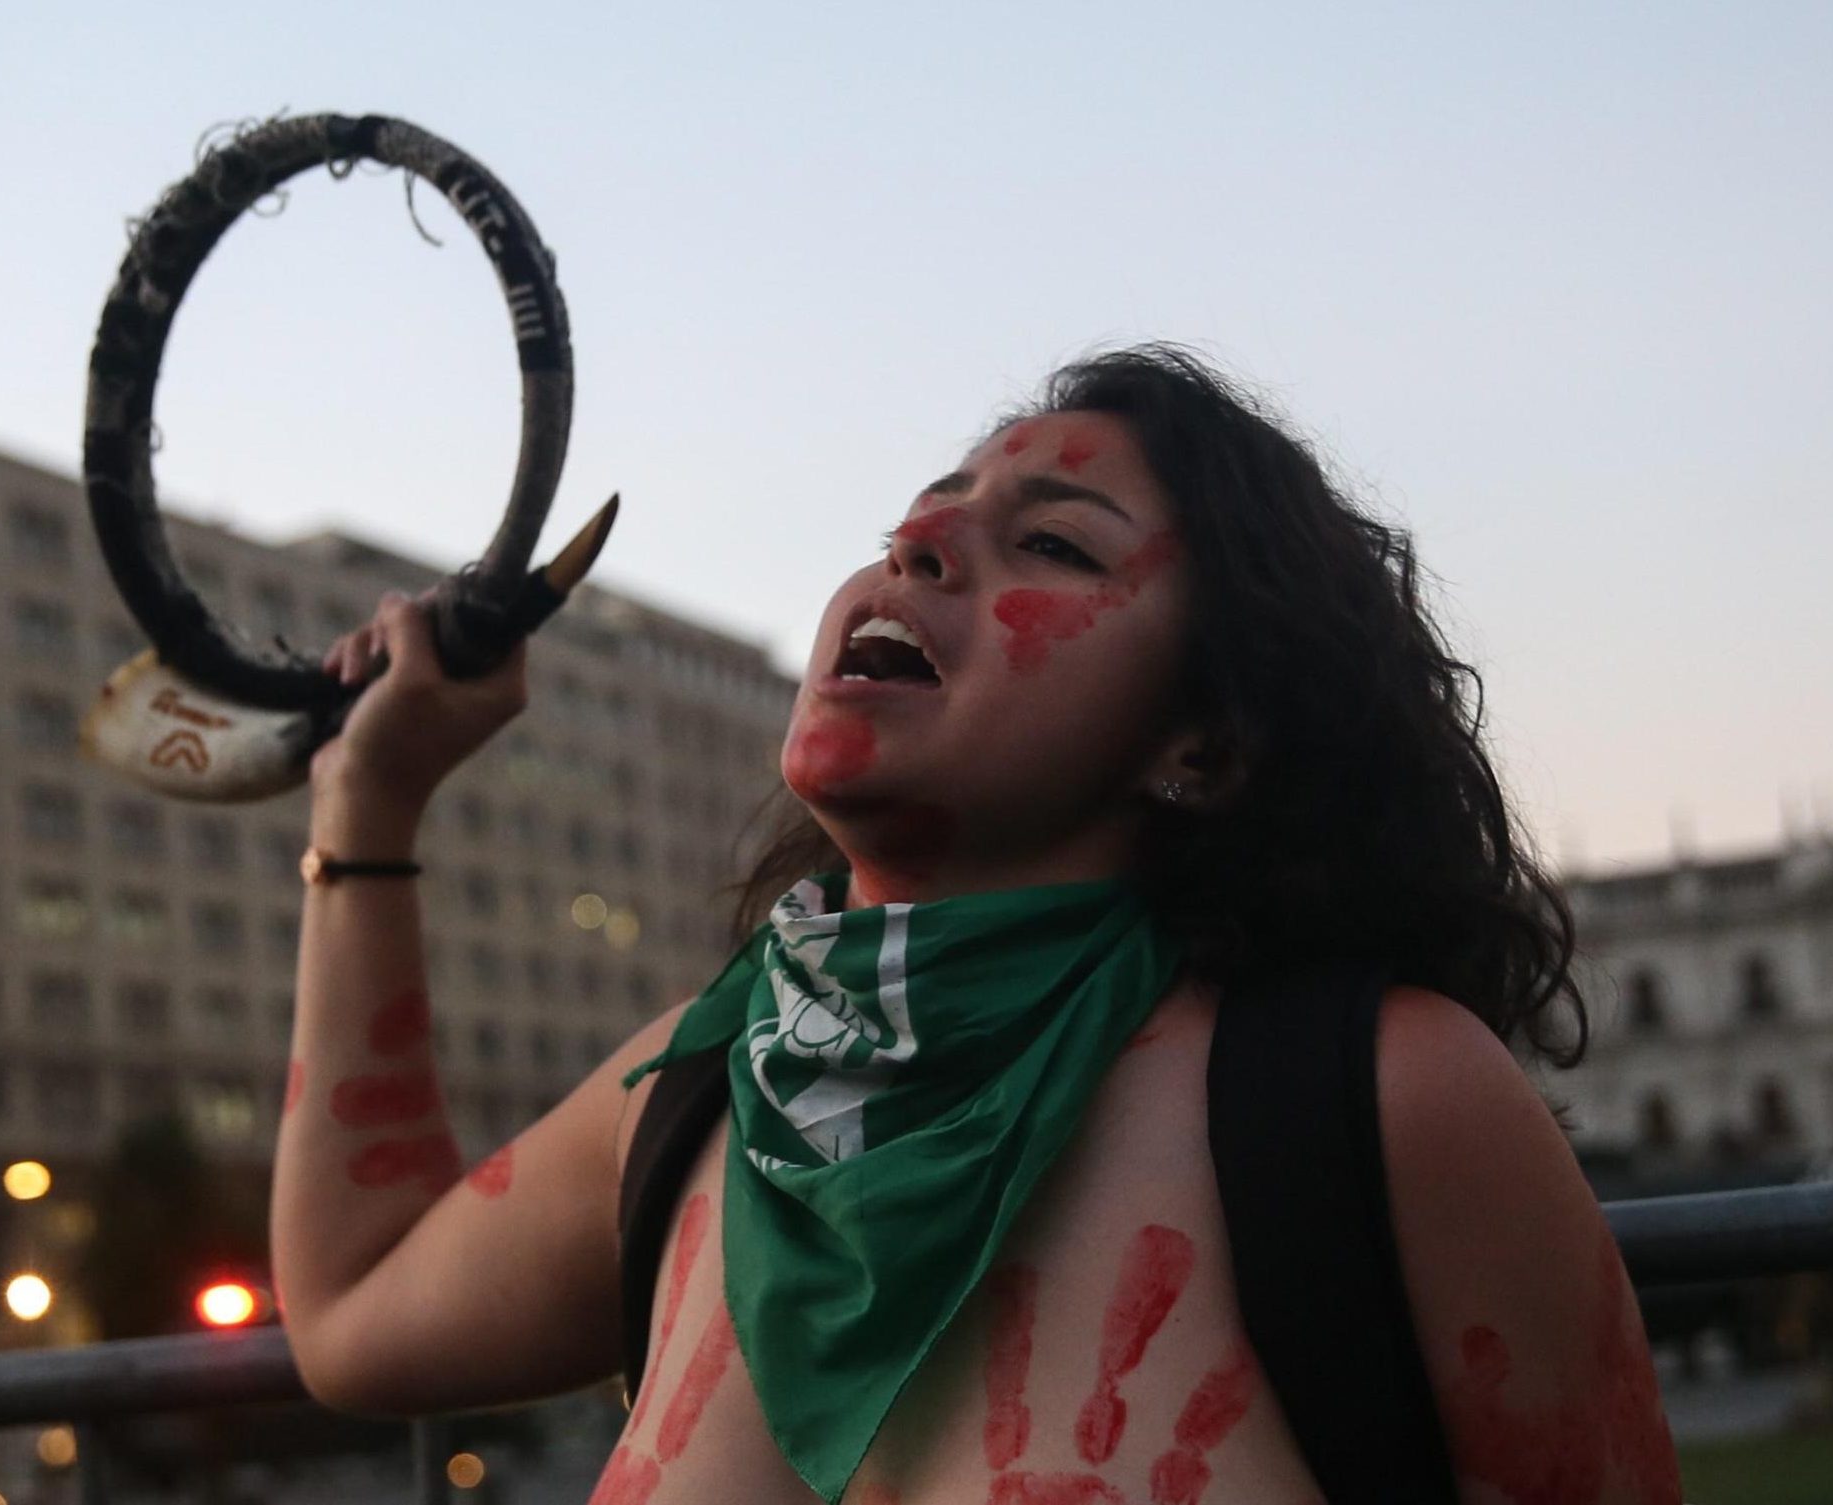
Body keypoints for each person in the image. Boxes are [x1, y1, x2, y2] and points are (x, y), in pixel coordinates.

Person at [272, 346, 1684, 1505]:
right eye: (911, 525)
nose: (924, 541)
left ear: (1206, 742)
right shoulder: (691, 1100)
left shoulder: (1379, 1099)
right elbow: (351, 1309)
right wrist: (369, 805)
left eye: (1056, 544)